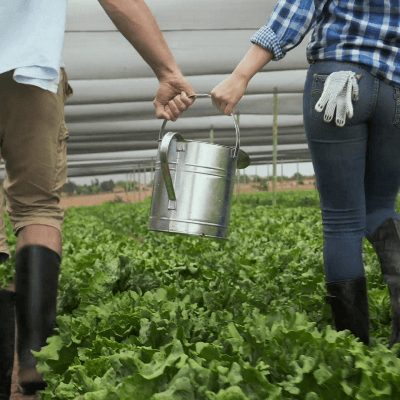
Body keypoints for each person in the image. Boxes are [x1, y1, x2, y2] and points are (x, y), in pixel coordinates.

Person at [0, 0, 195, 398]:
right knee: (37, 208)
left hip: (30, 65)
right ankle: (33, 357)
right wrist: (166, 70)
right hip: (28, 67)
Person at [211, 0, 400, 350]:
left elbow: (297, 10)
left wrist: (240, 76)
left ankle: (355, 349)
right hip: (396, 92)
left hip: (339, 83)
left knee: (342, 221)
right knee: (382, 209)